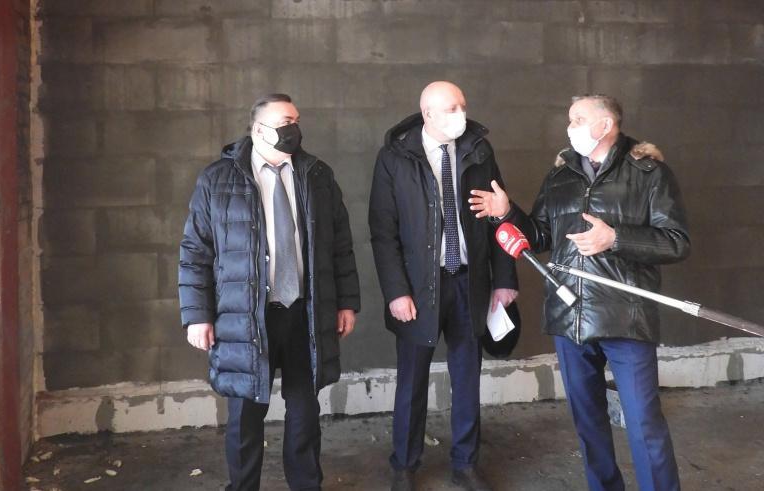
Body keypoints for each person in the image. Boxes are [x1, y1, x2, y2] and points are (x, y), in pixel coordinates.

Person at [469, 94, 689, 491]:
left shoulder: (648, 173)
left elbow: (676, 242)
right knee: (588, 423)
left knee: (644, 423)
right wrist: (508, 212)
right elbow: (540, 236)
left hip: (626, 317)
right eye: (570, 120)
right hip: (569, 316)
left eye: (578, 119)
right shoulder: (561, 175)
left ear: (605, 125)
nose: (570, 128)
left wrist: (616, 238)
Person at [179, 93, 360, 491]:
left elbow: (340, 245)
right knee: (245, 417)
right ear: (259, 129)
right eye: (284, 122)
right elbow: (195, 251)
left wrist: (347, 302)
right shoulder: (217, 180)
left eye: (296, 120)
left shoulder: (317, 175)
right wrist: (197, 315)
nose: (293, 129)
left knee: (305, 413)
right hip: (245, 316)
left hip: (304, 313)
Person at [368, 81, 519, 491]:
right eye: (451, 108)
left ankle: (466, 464)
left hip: (471, 283)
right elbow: (383, 232)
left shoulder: (479, 151)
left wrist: (504, 280)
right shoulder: (395, 157)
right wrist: (397, 291)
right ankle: (404, 466)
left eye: (463, 105)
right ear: (428, 113)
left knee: (468, 379)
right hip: (418, 290)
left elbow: (500, 218)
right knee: (411, 382)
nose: (461, 114)